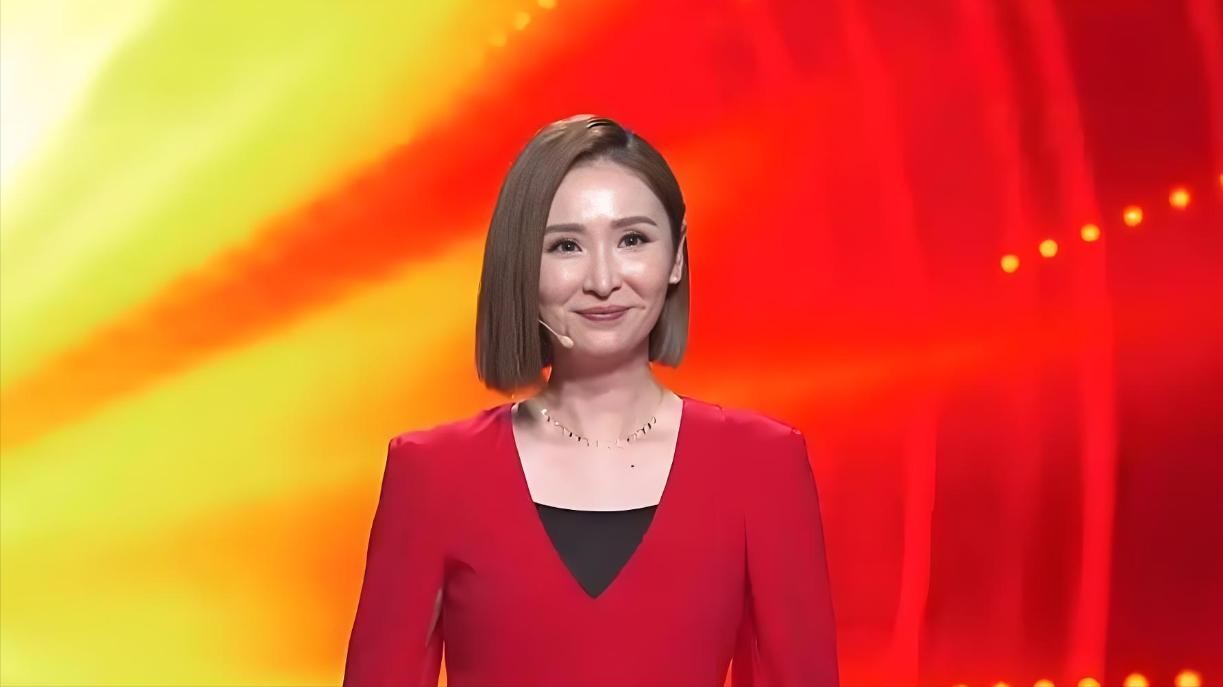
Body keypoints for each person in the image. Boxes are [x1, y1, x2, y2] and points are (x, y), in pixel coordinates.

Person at [343, 114, 839, 686]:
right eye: (566, 246)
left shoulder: (762, 464)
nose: (603, 281)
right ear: (521, 265)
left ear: (677, 256)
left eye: (632, 240)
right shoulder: (432, 474)